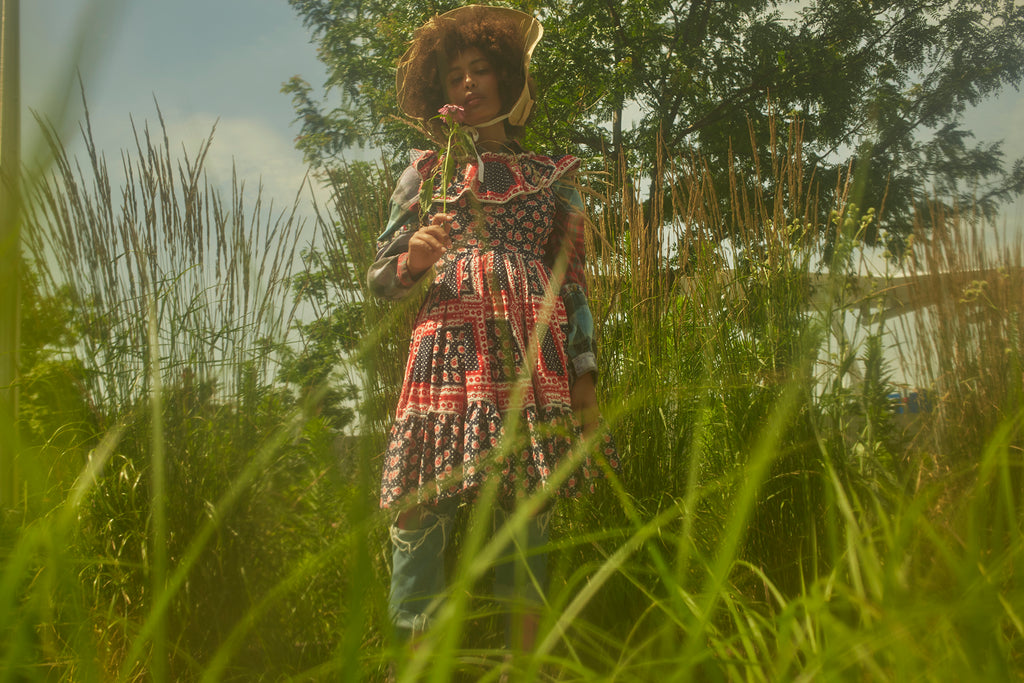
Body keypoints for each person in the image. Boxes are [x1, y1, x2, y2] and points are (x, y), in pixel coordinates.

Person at [367, 4, 619, 655]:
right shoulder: (424, 171)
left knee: (529, 508)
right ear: (442, 91)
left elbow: (575, 286)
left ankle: (521, 663)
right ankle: (418, 662)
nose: (469, 84)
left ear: (508, 79)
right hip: (446, 349)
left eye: (481, 70)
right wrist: (416, 257)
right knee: (421, 504)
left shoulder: (554, 177)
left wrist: (586, 384)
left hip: (531, 356)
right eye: (455, 76)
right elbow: (381, 278)